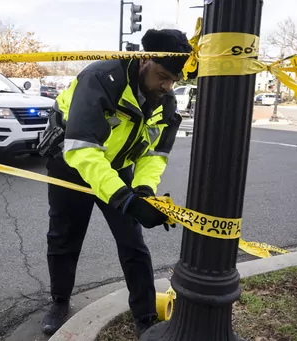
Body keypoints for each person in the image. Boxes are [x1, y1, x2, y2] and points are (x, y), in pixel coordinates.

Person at [36, 28, 197, 337]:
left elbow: (155, 153)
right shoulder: (101, 78)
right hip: (71, 164)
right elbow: (81, 149)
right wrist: (125, 199)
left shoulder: (164, 100)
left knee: (132, 242)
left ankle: (146, 316)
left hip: (117, 168)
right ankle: (59, 301)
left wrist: (143, 191)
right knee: (64, 236)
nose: (167, 86)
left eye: (173, 81)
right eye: (162, 76)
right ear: (144, 60)